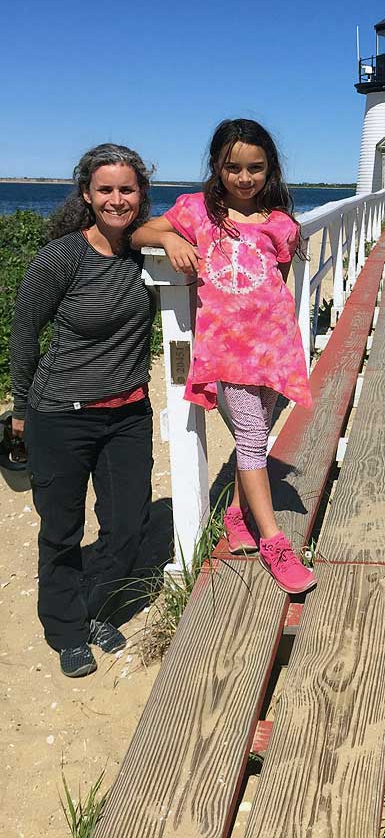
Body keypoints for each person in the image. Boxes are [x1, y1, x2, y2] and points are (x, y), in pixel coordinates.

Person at [132, 119, 316, 595]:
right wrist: (171, 239)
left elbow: (275, 279)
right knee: (254, 440)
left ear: (269, 169)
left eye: (255, 168)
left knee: (255, 440)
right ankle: (275, 542)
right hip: (228, 350)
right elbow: (138, 234)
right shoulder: (197, 212)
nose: (244, 177)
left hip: (273, 348)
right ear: (217, 165)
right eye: (233, 167)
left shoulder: (280, 223)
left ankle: (236, 516)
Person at [10, 144, 155, 678]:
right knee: (61, 529)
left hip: (129, 415)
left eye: (127, 189)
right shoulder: (64, 256)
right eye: (106, 190)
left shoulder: (145, 252)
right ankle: (67, 629)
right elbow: (25, 333)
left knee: (127, 525)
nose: (117, 199)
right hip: (60, 415)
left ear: (142, 194)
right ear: (88, 195)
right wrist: (21, 409)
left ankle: (91, 607)